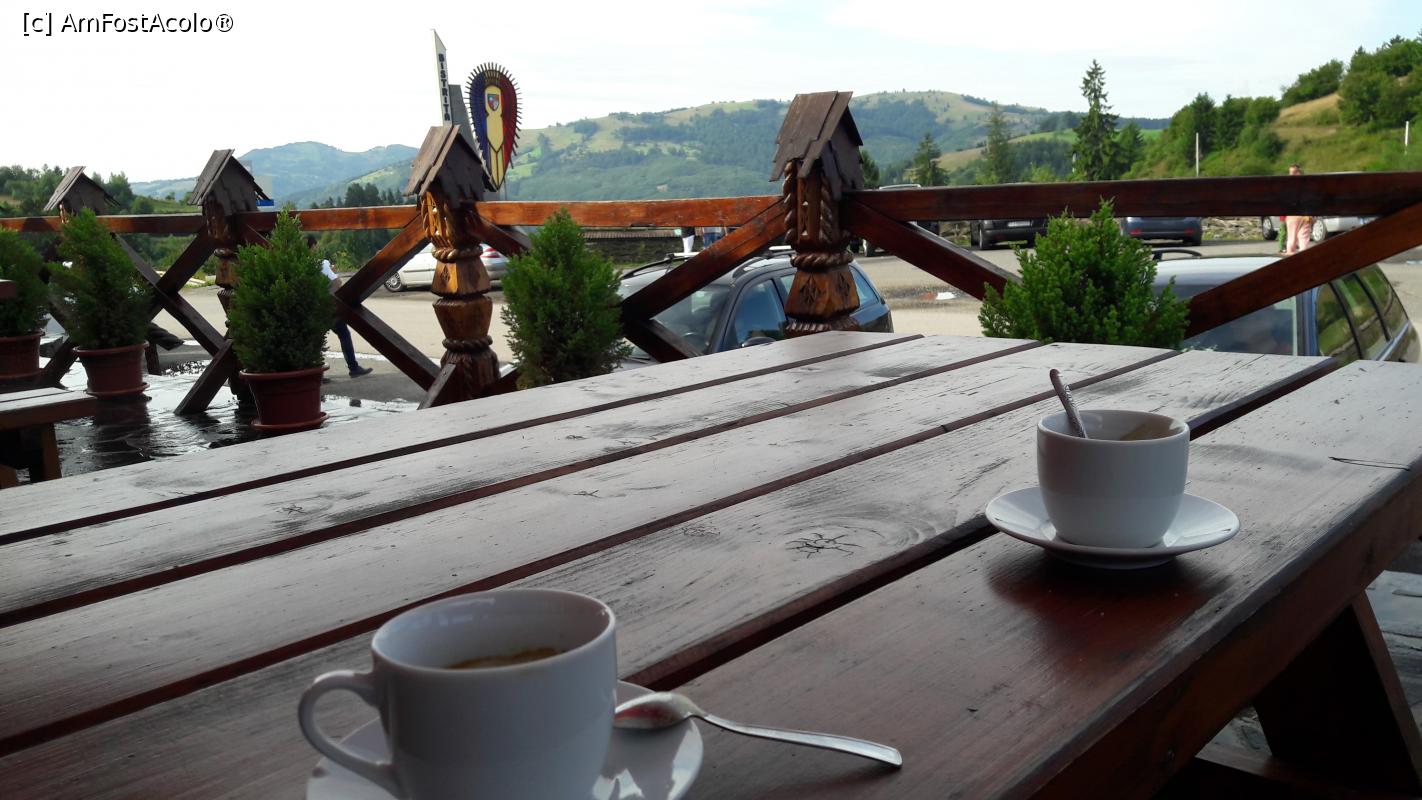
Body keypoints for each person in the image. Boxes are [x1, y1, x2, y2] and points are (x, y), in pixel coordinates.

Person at [310, 240, 373, 378]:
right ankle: (353, 367)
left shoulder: (300, 264)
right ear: (313, 246)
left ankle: (316, 373)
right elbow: (337, 282)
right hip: (330, 307)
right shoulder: (322, 263)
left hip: (314, 308)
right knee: (343, 334)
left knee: (315, 340)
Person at [1284, 164, 1314, 256]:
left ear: (1299, 173)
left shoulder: (1288, 185)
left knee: (1291, 239)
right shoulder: (1307, 185)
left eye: (1293, 172)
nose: (1291, 174)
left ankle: (1290, 257)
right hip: (1305, 215)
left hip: (1293, 216)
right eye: (1290, 172)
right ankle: (1303, 258)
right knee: (1303, 239)